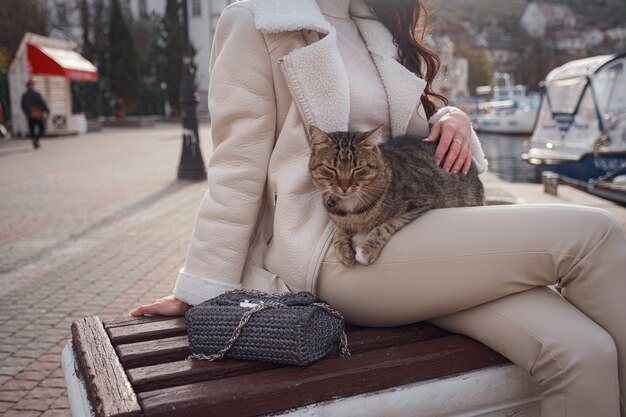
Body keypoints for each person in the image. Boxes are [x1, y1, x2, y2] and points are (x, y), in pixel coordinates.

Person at [131, 1, 626, 415]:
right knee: (593, 231)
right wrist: (200, 286)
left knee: (584, 352)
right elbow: (236, 168)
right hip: (336, 248)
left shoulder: (378, 23)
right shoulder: (260, 19)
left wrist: (451, 116)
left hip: (421, 234)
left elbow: (399, 140)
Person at [21, 80, 49, 149]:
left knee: (32, 129)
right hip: (38, 114)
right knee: (42, 128)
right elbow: (42, 103)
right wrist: (47, 110)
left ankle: (34, 140)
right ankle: (36, 139)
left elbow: (22, 106)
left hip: (29, 115)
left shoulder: (24, 95)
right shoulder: (36, 94)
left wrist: (27, 113)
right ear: (33, 86)